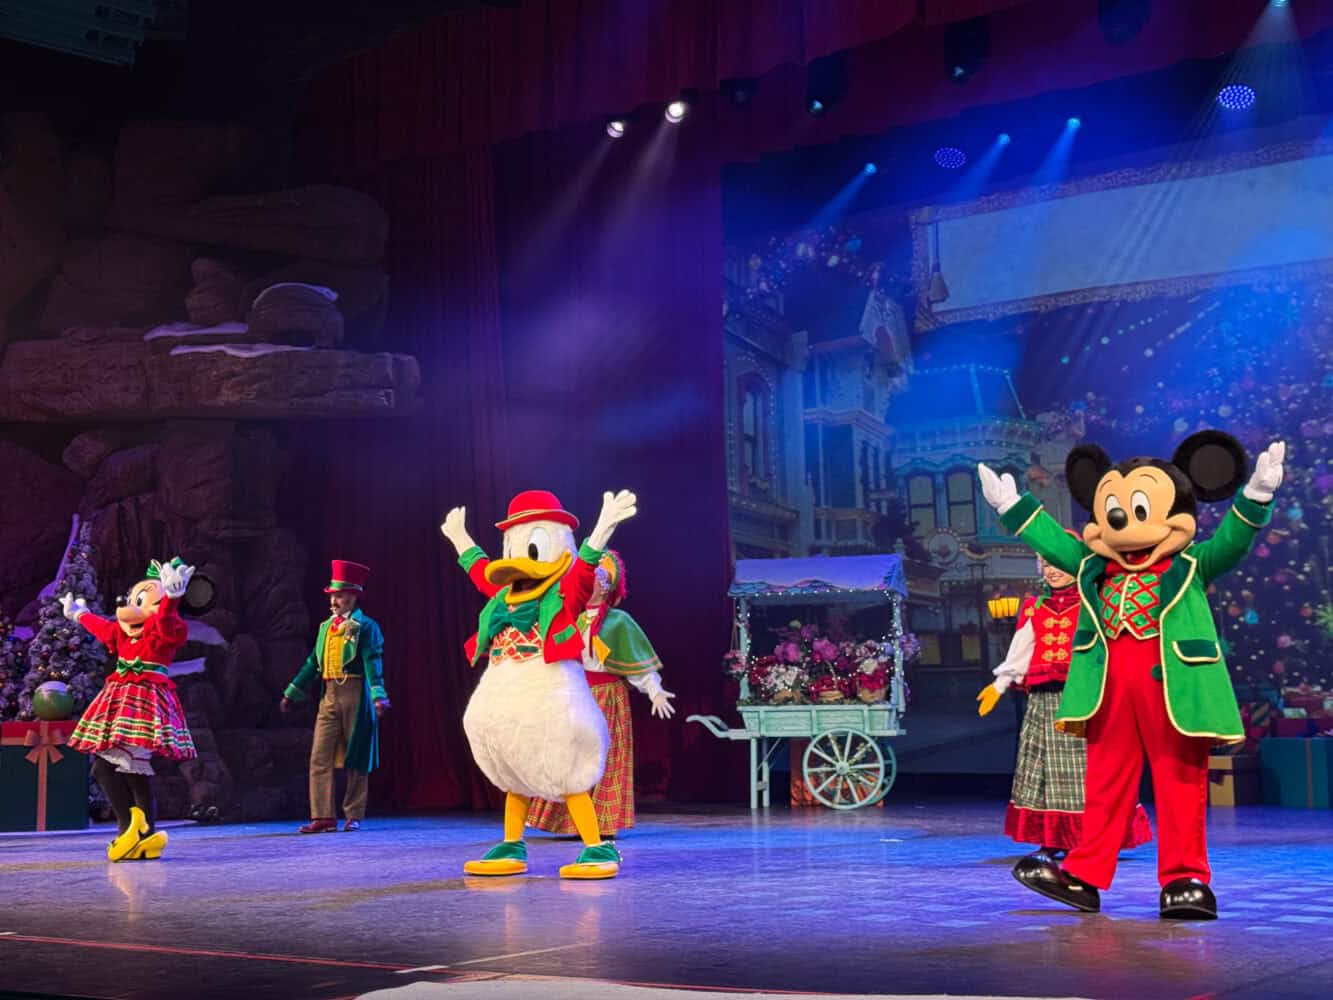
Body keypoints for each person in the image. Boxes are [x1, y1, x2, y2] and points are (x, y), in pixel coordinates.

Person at [978, 537, 1151, 879]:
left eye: (1056, 562)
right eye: (1045, 563)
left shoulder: (1093, 604)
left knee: (1086, 770)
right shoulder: (1035, 606)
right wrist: (999, 685)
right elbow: (1022, 650)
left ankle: (1096, 836)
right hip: (1043, 699)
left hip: (1081, 699)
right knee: (1042, 770)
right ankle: (1052, 838)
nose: (1051, 570)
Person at [528, 550, 674, 837]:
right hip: (575, 693)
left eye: (596, 575)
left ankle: (602, 823)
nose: (588, 579)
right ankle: (568, 821)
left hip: (607, 695)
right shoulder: (570, 616)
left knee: (603, 757)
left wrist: (654, 691)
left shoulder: (618, 620)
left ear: (606, 584)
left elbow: (637, 662)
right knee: (568, 755)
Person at [64, 558, 197, 861]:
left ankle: (129, 828)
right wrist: (80, 614)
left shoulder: (162, 630)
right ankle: (145, 834)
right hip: (120, 700)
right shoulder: (124, 633)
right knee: (133, 771)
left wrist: (172, 600)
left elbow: (168, 624)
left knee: (104, 767)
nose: (132, 608)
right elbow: (105, 629)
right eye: (134, 599)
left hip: (144, 703)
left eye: (144, 600)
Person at [282, 560, 388, 833]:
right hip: (329, 695)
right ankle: (323, 816)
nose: (334, 601)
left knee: (356, 756)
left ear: (352, 596)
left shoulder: (366, 627)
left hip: (355, 692)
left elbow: (371, 660)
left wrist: (378, 695)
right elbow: (312, 664)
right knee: (320, 755)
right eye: (332, 596)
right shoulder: (325, 628)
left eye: (339, 596)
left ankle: (354, 814)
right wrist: (293, 692)